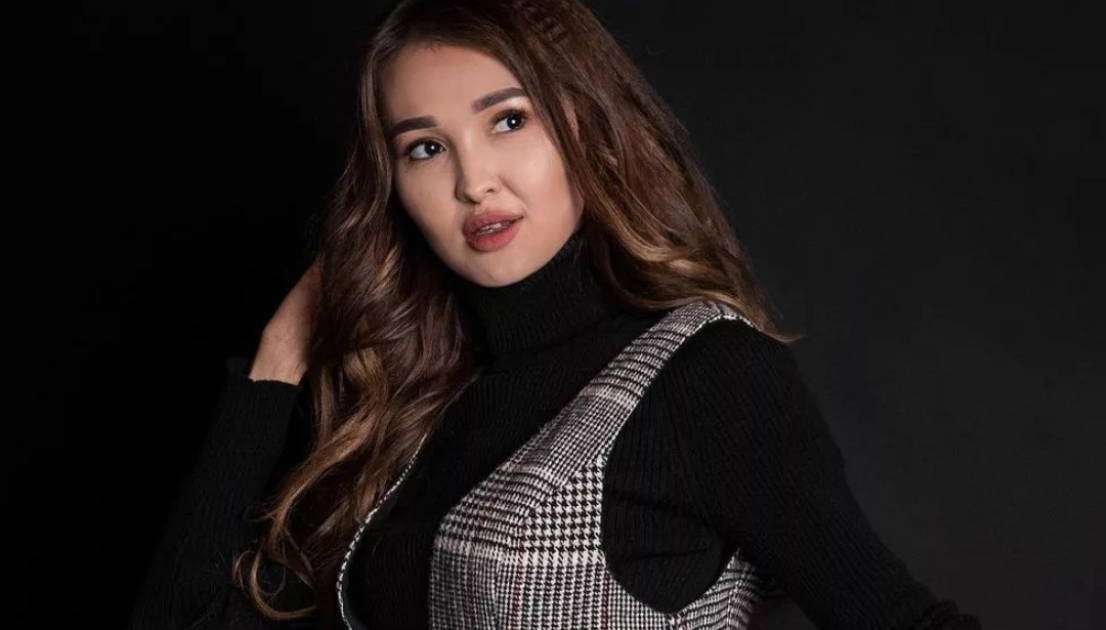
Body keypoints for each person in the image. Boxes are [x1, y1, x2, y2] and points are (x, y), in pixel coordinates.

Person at [127, 0, 982, 628]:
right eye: (426, 147)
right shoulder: (423, 404)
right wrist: (277, 362)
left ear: (587, 125)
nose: (473, 182)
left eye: (508, 120)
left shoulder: (707, 375)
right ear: (395, 186)